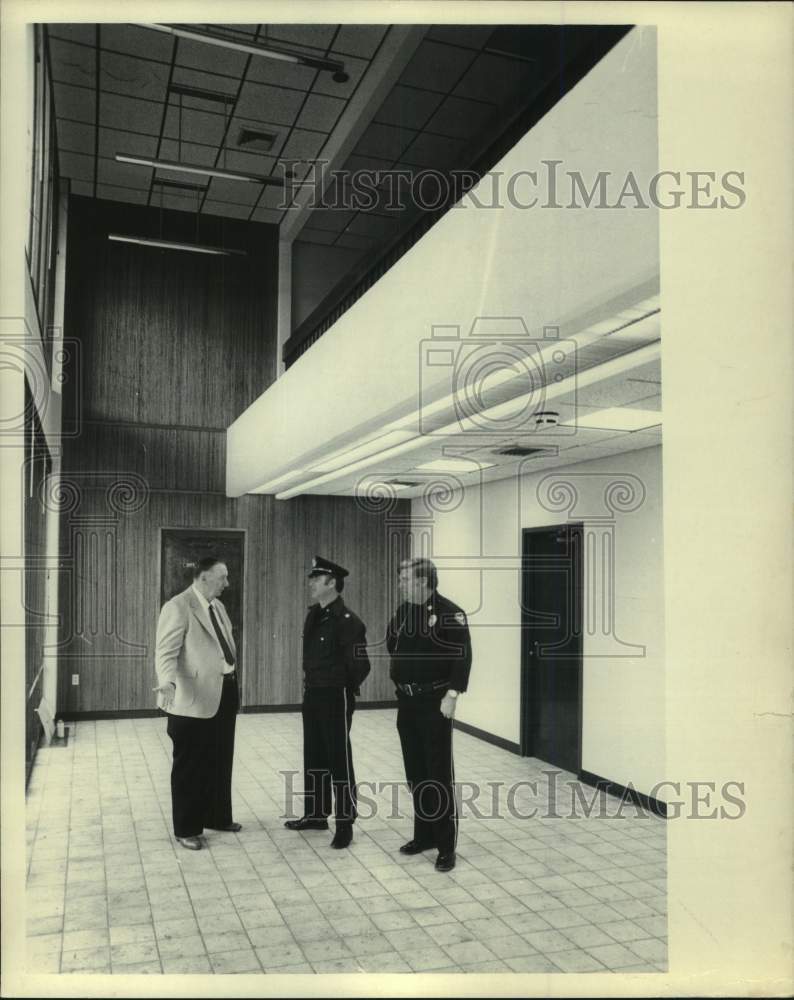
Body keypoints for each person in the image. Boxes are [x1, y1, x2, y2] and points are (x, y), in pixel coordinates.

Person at [387, 557, 472, 872]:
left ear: (423, 581)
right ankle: (424, 835)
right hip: (407, 702)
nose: (400, 584)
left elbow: (462, 656)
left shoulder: (450, 613)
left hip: (435, 702)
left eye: (405, 579)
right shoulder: (404, 611)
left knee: (438, 775)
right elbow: (394, 642)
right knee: (415, 772)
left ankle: (446, 845)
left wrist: (453, 694)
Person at [153, 557, 241, 850]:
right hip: (191, 699)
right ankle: (187, 828)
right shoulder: (177, 607)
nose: (227, 584)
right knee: (190, 766)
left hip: (224, 693)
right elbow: (166, 653)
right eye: (222, 578)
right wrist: (167, 681)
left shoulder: (218, 607)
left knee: (219, 759)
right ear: (203, 578)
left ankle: (217, 816)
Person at [285, 556, 370, 849]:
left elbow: (361, 666)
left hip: (336, 695)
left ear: (332, 583)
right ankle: (317, 814)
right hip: (314, 693)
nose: (310, 583)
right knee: (314, 754)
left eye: (316, 579)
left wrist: (341, 686)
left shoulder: (348, 621)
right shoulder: (314, 615)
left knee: (338, 759)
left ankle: (344, 823)